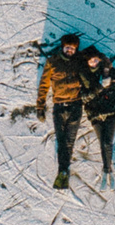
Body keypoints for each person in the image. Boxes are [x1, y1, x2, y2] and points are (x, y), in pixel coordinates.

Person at [37, 34, 88, 189]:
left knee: (69, 141)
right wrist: (40, 106)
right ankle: (63, 171)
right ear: (62, 47)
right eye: (68, 48)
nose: (70, 51)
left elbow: (93, 68)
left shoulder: (80, 61)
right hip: (59, 106)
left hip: (75, 106)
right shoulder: (53, 62)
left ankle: (63, 172)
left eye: (73, 49)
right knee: (61, 140)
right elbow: (44, 85)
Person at [80, 47, 115, 184]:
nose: (94, 63)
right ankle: (107, 170)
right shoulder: (83, 76)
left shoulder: (110, 72)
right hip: (95, 114)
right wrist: (99, 88)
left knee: (107, 142)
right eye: (91, 61)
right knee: (102, 142)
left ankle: (107, 170)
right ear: (87, 62)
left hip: (112, 111)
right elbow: (83, 98)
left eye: (96, 60)